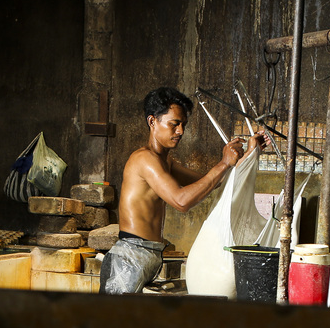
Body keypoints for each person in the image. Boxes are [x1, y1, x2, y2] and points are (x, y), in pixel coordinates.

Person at [100, 86, 266, 295]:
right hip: (129, 258)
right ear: (152, 121)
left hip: (147, 256)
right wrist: (224, 163)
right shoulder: (144, 159)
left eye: (183, 125)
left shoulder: (165, 161)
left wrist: (248, 154)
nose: (180, 131)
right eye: (174, 124)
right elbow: (181, 201)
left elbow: (212, 183)